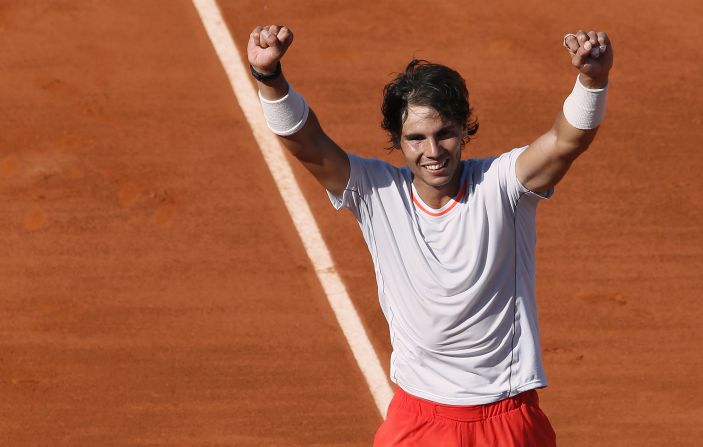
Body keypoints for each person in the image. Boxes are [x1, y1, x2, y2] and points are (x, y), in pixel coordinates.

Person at [247, 24, 612, 446]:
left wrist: (592, 80)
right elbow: (306, 143)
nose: (432, 151)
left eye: (444, 134)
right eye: (416, 138)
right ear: (398, 141)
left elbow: (567, 142)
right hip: (418, 420)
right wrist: (269, 78)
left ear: (464, 130)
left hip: (506, 417)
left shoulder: (503, 186)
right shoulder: (375, 191)